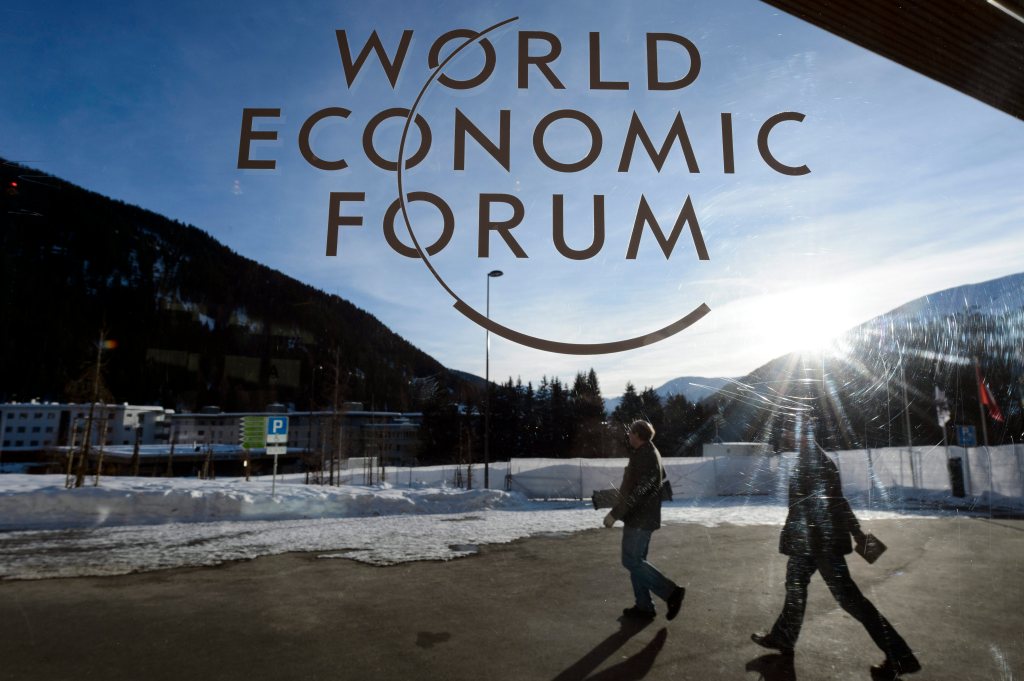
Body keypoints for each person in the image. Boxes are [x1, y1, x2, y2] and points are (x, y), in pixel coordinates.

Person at [751, 414, 920, 679]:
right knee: (795, 584)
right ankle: (783, 637)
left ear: (802, 434)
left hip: (820, 545)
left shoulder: (814, 462)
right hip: (810, 544)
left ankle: (901, 656)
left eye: (789, 431)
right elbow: (832, 502)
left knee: (850, 600)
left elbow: (834, 503)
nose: (784, 435)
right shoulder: (811, 459)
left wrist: (854, 533)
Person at [603, 419, 685, 621]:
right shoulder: (649, 452)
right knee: (637, 562)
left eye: (631, 432)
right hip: (643, 517)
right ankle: (644, 606)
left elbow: (638, 492)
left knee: (631, 560)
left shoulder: (644, 456)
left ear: (639, 435)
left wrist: (615, 514)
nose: (629, 435)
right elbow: (651, 482)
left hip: (640, 519)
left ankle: (671, 592)